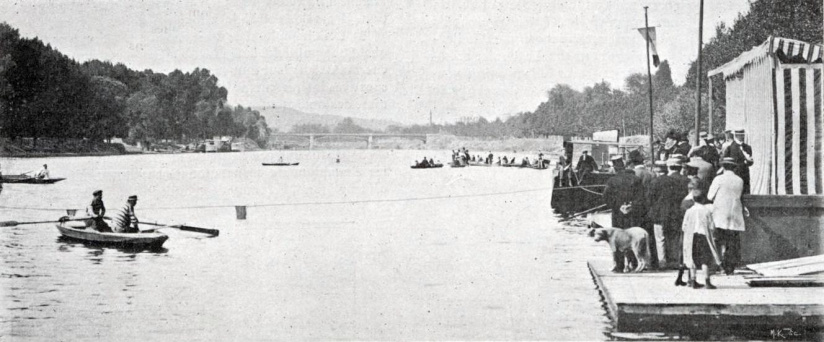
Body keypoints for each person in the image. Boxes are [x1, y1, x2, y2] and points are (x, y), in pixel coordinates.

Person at [677, 180, 722, 289]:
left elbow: (684, 226)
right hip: (703, 237)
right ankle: (707, 281)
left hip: (691, 237)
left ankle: (693, 280)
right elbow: (711, 226)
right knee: (705, 259)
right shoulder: (706, 211)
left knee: (691, 258)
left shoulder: (689, 211)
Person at [647, 157, 690, 269]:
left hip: (658, 214)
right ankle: (674, 260)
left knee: (660, 238)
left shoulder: (654, 182)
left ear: (657, 170)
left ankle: (662, 261)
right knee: (673, 237)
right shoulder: (674, 181)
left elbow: (649, 199)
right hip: (674, 213)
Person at [708, 157, 746, 275]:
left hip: (720, 213)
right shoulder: (739, 180)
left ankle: (719, 265)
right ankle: (730, 267)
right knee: (732, 241)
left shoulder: (718, 179)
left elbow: (710, 196)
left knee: (718, 239)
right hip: (734, 213)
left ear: (723, 166)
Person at [723, 129, 753, 194]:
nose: (742, 137)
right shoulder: (730, 147)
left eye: (743, 135)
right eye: (740, 135)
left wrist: (748, 162)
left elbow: (750, 162)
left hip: (745, 174)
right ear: (736, 135)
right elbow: (725, 161)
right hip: (734, 174)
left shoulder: (748, 147)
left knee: (745, 193)